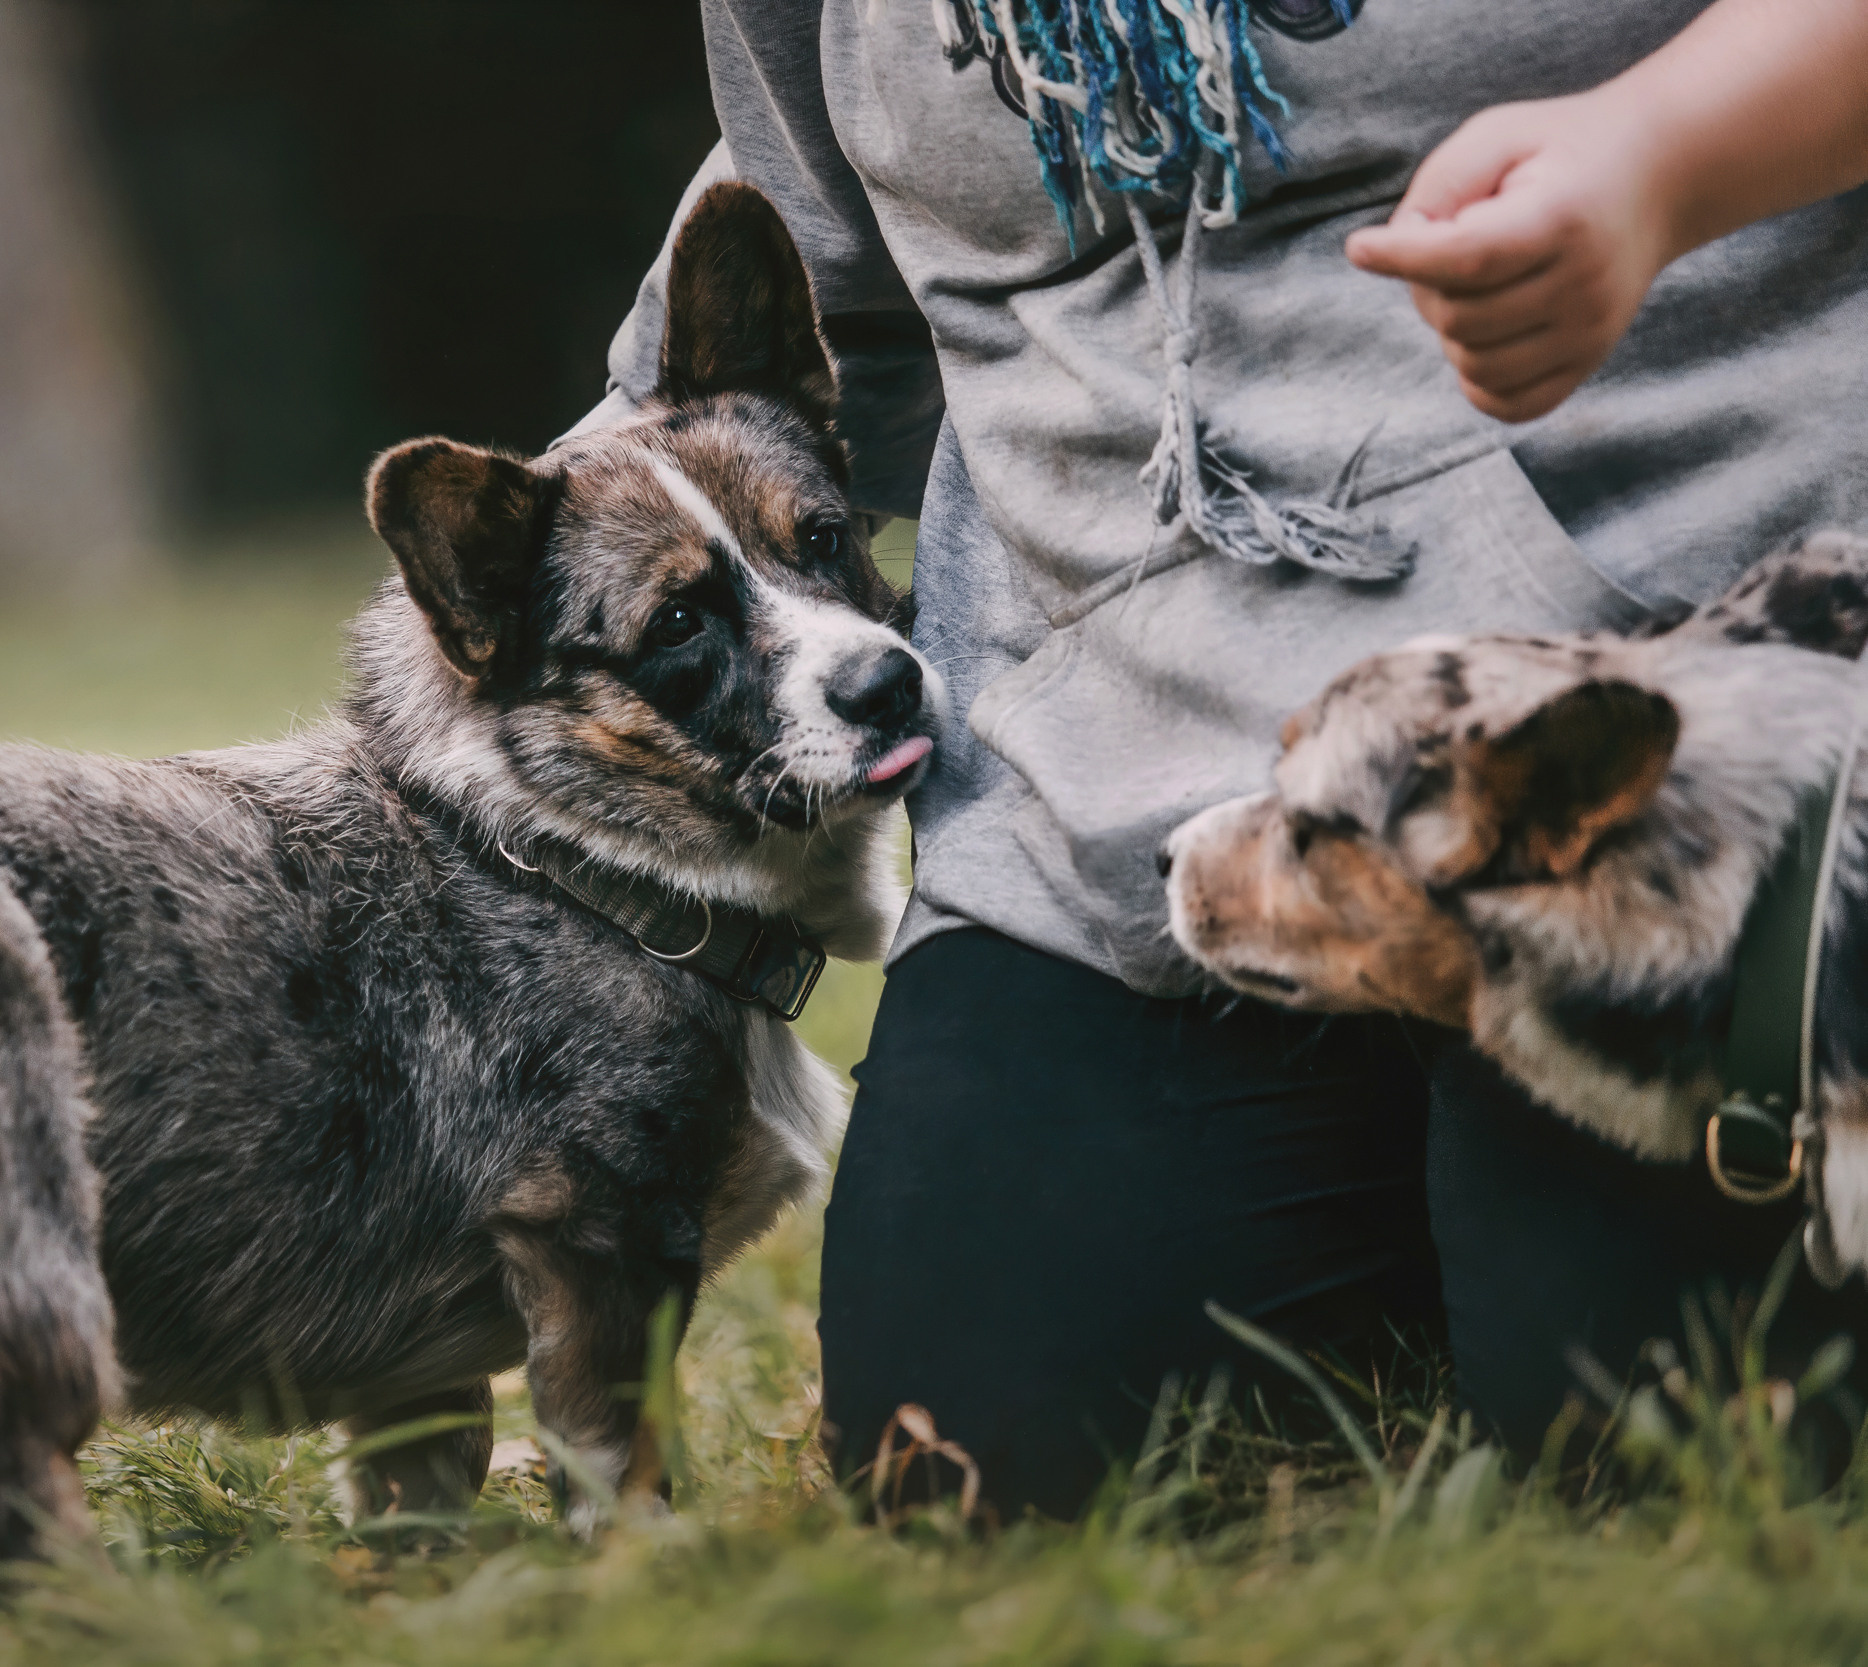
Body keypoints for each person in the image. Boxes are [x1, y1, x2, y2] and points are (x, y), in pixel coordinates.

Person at [575, 0, 1868, 1517]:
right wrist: (509, 610)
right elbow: (810, 279)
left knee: (1684, 1453)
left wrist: (1667, 153)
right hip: (1114, 788)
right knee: (984, 1464)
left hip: (1665, 733)